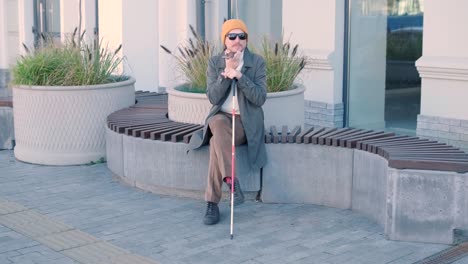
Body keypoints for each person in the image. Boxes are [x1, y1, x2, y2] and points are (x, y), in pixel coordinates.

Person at [189, 19, 268, 225]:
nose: (237, 41)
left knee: (217, 141)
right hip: (221, 119)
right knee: (217, 124)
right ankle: (233, 185)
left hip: (245, 123)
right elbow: (214, 98)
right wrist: (225, 74)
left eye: (241, 36)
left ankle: (212, 203)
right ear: (224, 40)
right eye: (231, 36)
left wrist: (240, 76)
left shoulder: (256, 62)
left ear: (246, 39)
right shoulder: (215, 62)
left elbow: (259, 98)